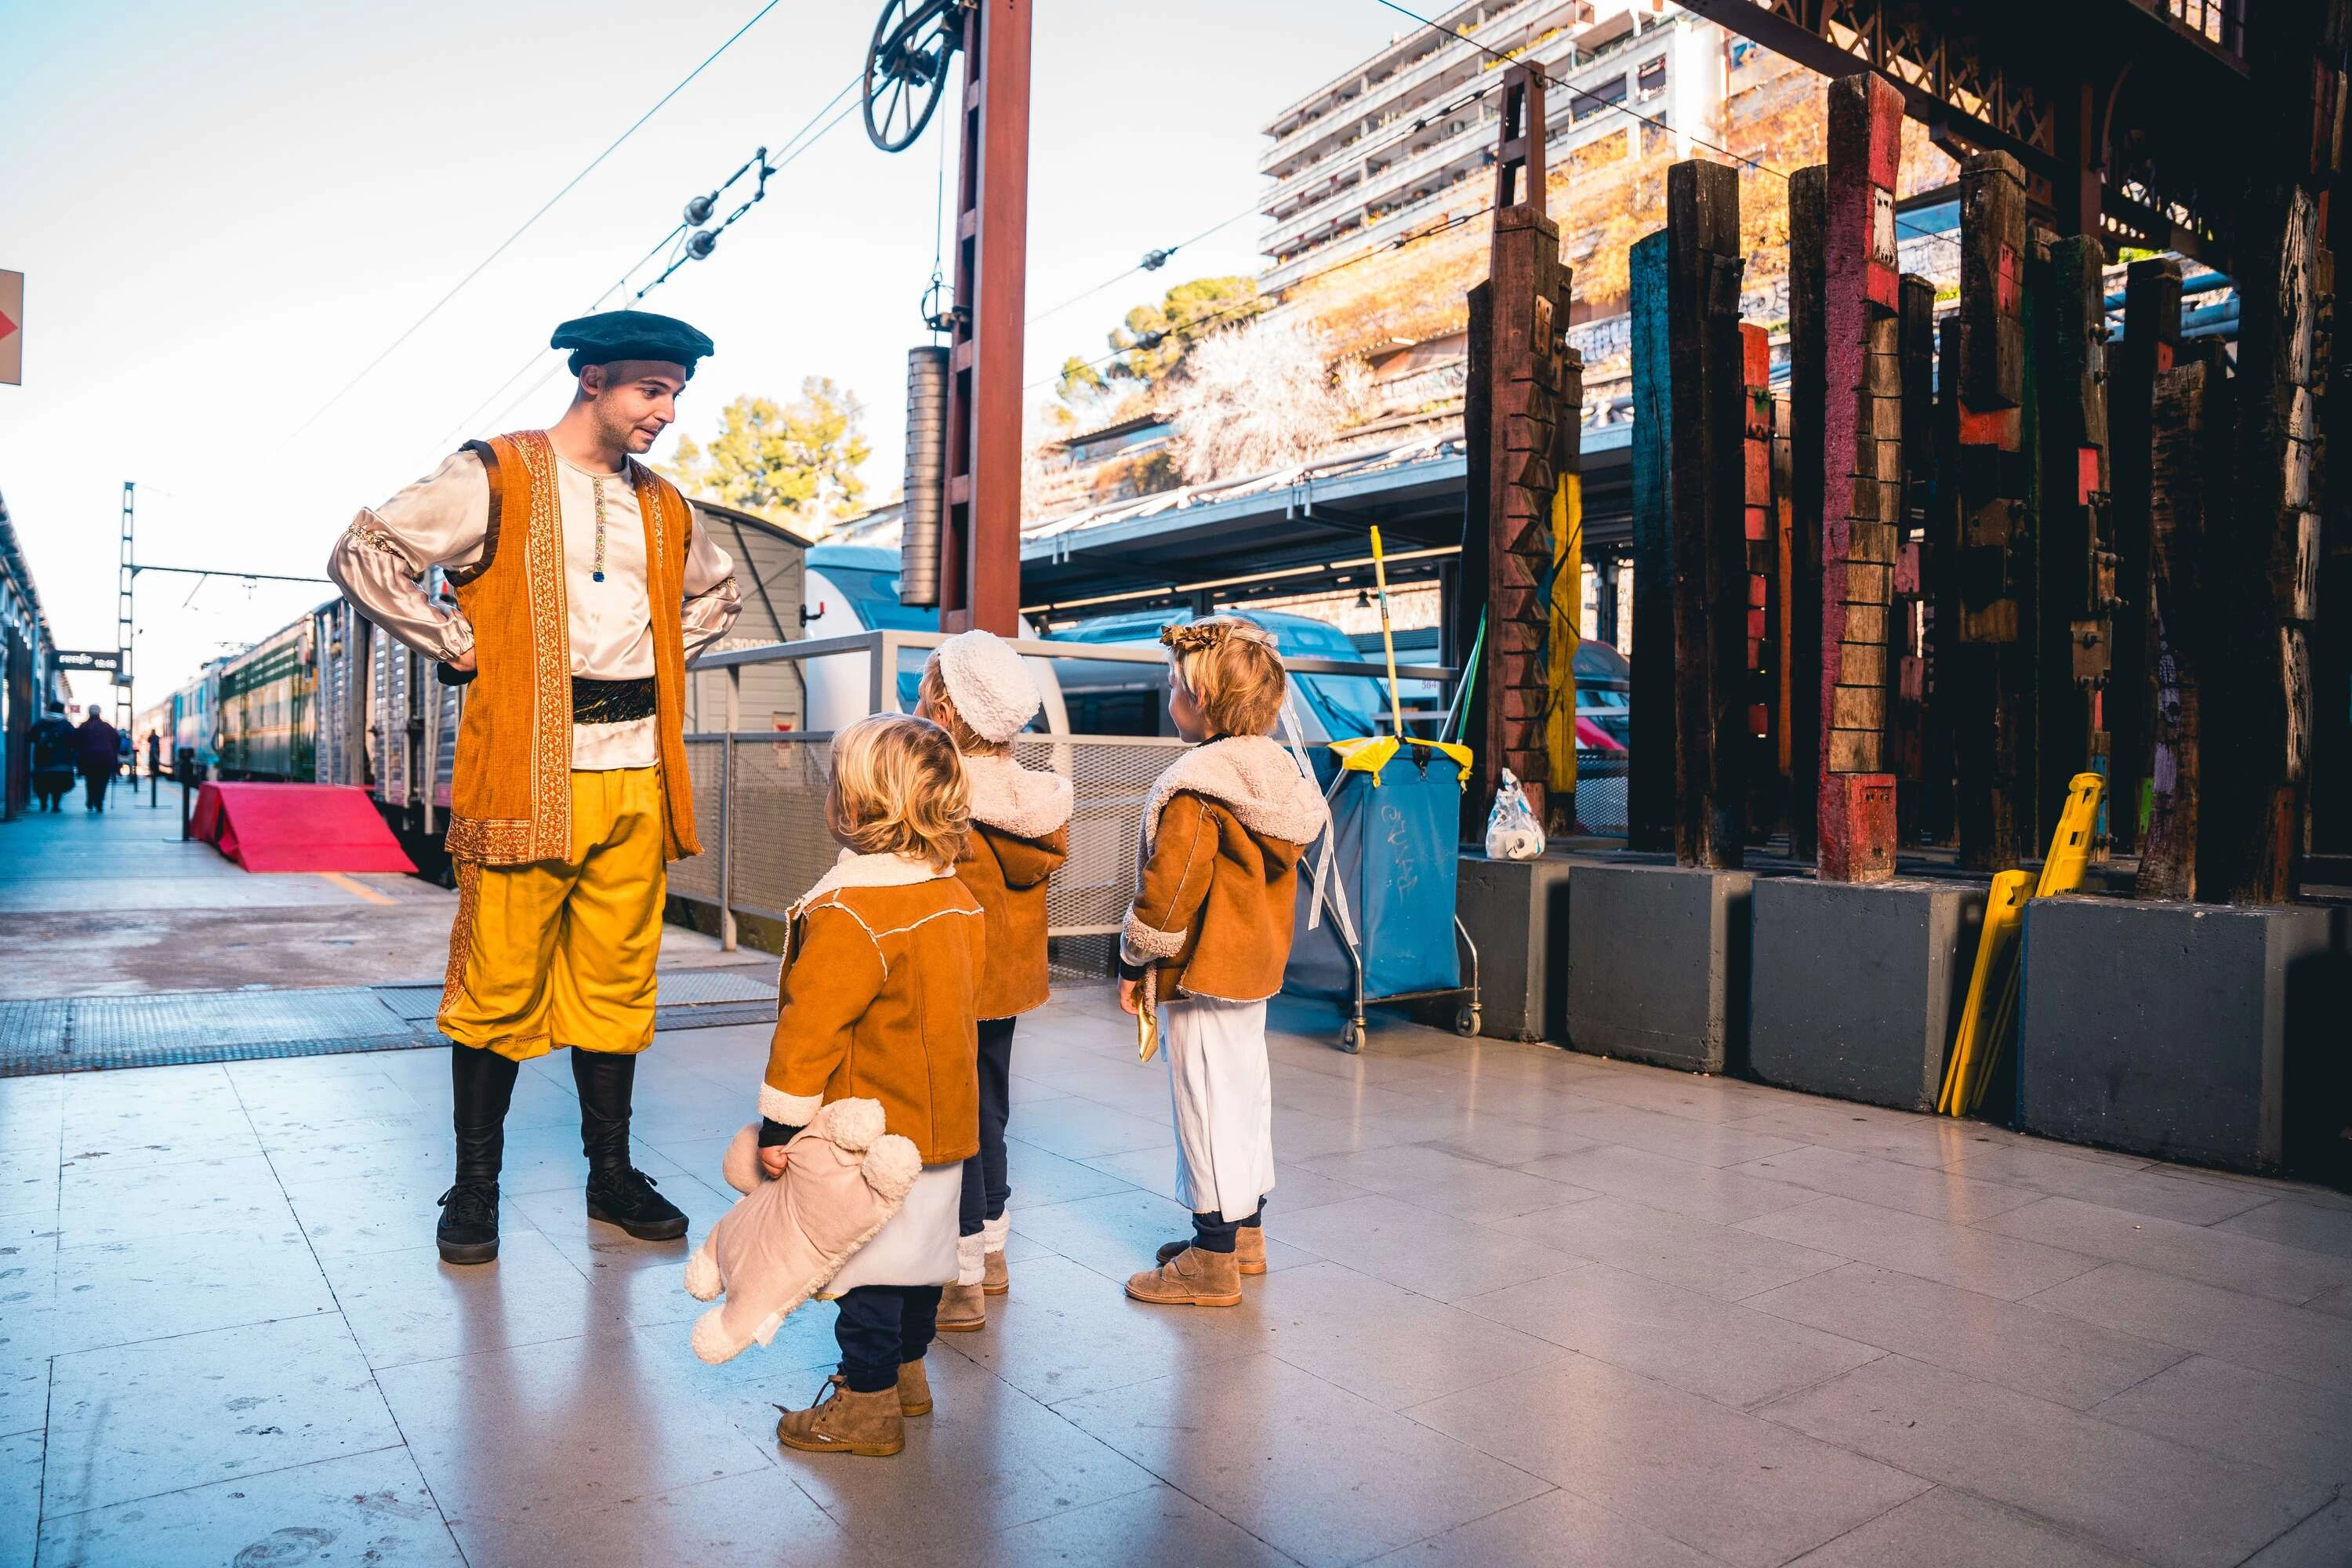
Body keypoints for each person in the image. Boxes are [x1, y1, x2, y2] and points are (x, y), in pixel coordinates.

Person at [325, 309, 742, 1265]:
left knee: (618, 978)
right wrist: (454, 641)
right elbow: (365, 551)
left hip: (636, 771)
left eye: (677, 393)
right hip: (525, 770)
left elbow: (714, 591)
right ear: (592, 379)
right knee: (496, 983)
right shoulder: (496, 474)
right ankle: (475, 1189)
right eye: (651, 389)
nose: (666, 413)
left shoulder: (668, 505)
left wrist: (665, 659)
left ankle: (610, 1175)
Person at [760, 714, 985, 1458]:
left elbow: (809, 1029)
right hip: (944, 1125)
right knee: (922, 1265)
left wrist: (780, 1126)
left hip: (870, 1135)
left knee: (867, 1276)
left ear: (855, 808)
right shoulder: (956, 900)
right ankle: (907, 1378)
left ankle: (866, 1406)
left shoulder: (851, 910)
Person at [1117, 619, 1327, 1308]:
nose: (1168, 696)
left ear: (1202, 703)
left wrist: (1133, 960)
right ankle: (1247, 1235)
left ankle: (1211, 1260)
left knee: (1204, 1101)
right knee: (1244, 1096)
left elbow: (1169, 892)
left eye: (1174, 687)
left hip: (1203, 971)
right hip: (1256, 966)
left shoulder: (1198, 786)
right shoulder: (1276, 778)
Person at [913, 630, 1071, 1332]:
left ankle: (961, 1278)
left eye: (922, 697)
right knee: (991, 1107)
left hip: (952, 980)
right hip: (1006, 983)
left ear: (945, 714)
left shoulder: (941, 799)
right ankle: (996, 1252)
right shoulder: (1033, 803)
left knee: (956, 1121)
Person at [29, 701, 75, 811]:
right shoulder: (66, 724)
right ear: (62, 710)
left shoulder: (40, 723)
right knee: (57, 786)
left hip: (42, 761)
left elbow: (32, 737)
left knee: (42, 784)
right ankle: (55, 806)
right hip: (61, 762)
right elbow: (73, 741)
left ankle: (43, 804)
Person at [75, 705, 122, 812]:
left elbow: (77, 742)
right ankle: (99, 801)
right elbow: (117, 740)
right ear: (100, 713)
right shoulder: (107, 727)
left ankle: (90, 800)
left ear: (89, 713)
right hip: (105, 759)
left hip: (88, 759)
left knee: (90, 780)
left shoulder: (84, 726)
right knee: (103, 780)